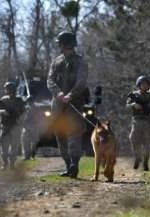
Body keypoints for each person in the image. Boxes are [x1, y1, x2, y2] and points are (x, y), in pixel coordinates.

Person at [47, 31, 88, 178]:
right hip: (58, 104)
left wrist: (71, 94)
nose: (59, 46)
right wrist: (58, 93)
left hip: (74, 102)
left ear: (65, 44)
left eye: (60, 43)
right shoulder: (56, 61)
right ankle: (67, 164)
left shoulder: (80, 61)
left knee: (74, 133)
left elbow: (81, 82)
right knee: (59, 133)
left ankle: (74, 164)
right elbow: (50, 80)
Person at [126, 75, 150, 171]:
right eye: (142, 84)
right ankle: (137, 157)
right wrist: (133, 105)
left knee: (147, 143)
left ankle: (145, 161)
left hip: (148, 121)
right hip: (136, 121)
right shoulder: (133, 95)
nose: (144, 86)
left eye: (146, 84)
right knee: (133, 139)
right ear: (139, 85)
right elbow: (127, 106)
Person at [0, 81, 25, 170]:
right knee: (4, 145)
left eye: (7, 89)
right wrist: (3, 112)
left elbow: (23, 112)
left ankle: (12, 164)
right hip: (5, 125)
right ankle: (5, 163)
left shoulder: (19, 100)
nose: (6, 90)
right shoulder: (3, 99)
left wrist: (19, 118)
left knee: (14, 145)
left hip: (15, 126)